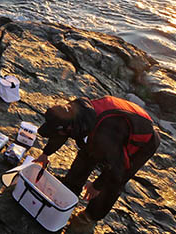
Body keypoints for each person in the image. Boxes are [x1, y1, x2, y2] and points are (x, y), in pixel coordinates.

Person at [35, 96, 160, 232]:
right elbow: (61, 133)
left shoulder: (105, 134)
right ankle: (69, 191)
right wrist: (45, 153)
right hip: (112, 131)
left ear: (71, 127)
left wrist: (97, 185)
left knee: (112, 183)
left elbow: (119, 166)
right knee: (86, 155)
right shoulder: (73, 111)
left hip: (143, 140)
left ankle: (88, 218)